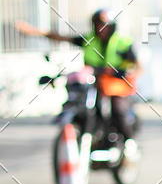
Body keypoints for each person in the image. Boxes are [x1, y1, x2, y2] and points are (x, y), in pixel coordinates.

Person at [15, 9, 140, 141]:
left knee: (118, 110)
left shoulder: (124, 42)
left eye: (104, 25)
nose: (100, 28)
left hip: (115, 85)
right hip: (94, 82)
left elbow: (138, 67)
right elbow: (59, 37)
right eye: (97, 24)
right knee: (83, 106)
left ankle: (129, 142)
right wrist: (33, 31)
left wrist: (127, 74)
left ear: (112, 27)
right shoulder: (88, 40)